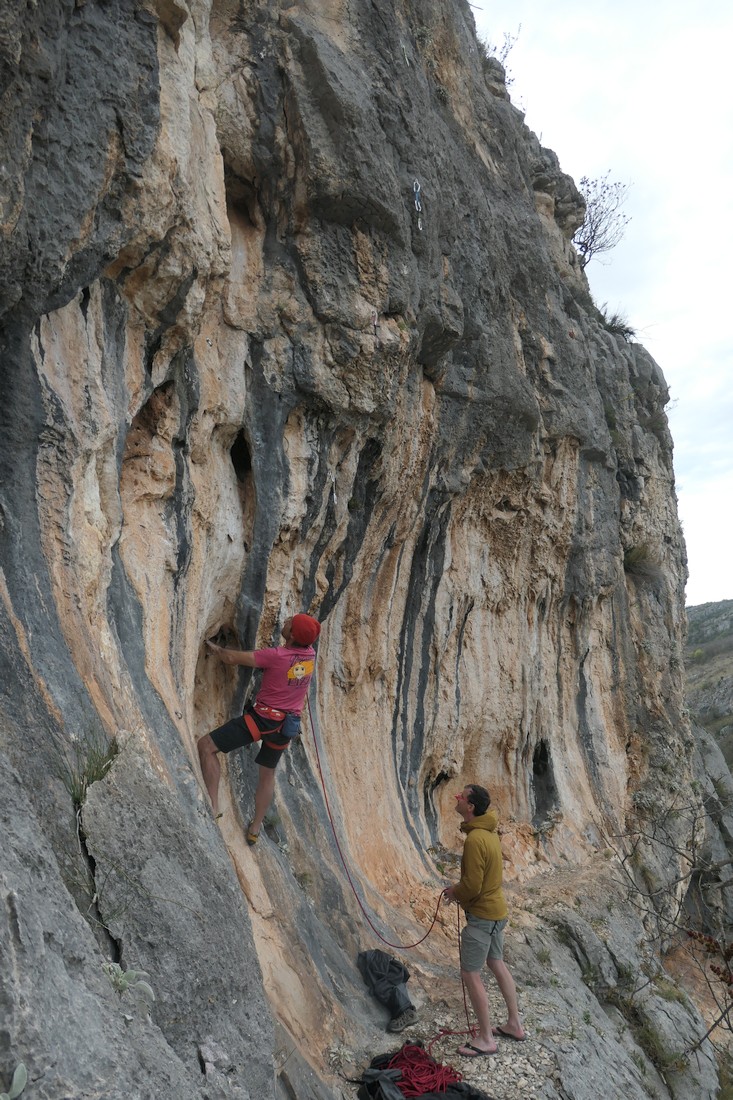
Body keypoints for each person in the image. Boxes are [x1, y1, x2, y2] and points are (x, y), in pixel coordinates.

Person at [197, 613, 320, 843]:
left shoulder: (276, 656)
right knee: (268, 775)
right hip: (286, 727)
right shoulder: (310, 654)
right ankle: (255, 829)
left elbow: (232, 658)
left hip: (263, 720)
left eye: (288, 623)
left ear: (292, 635)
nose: (284, 622)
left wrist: (215, 648)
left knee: (206, 746)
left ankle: (213, 808)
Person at [443, 784, 526, 1056]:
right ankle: (514, 1024)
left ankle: (486, 1039)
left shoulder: (476, 839)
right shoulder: (488, 834)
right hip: (497, 913)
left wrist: (455, 892)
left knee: (470, 973)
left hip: (482, 917)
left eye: (461, 796)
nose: (457, 798)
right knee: (496, 963)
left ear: (470, 806)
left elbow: (473, 885)